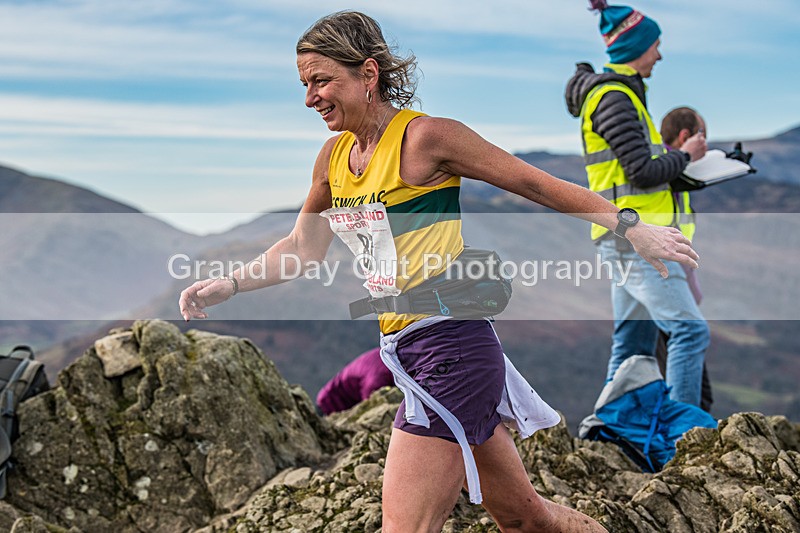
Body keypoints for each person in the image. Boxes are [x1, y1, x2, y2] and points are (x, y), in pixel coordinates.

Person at [180, 10, 699, 531]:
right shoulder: (333, 159)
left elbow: (534, 183)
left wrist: (630, 227)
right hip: (410, 354)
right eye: (305, 84)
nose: (310, 97)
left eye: (321, 81)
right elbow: (301, 246)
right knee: (527, 519)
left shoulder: (426, 139)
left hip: (451, 350)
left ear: (367, 74)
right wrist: (231, 282)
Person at [565, 1, 710, 408]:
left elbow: (633, 174)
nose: (659, 54)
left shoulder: (624, 96)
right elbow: (642, 171)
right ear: (635, 46)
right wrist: (688, 157)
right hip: (635, 237)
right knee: (689, 332)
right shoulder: (613, 98)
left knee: (632, 344)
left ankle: (605, 433)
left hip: (627, 235)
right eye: (655, 45)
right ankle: (684, 437)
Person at [658, 106, 713, 412]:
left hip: (674, 286)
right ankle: (681, 437)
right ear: (685, 136)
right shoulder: (663, 169)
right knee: (690, 334)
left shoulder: (678, 173)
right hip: (660, 283)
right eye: (702, 137)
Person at [316, 347, 394, 415]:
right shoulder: (378, 377)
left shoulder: (388, 354)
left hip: (334, 397)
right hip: (330, 405)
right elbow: (370, 405)